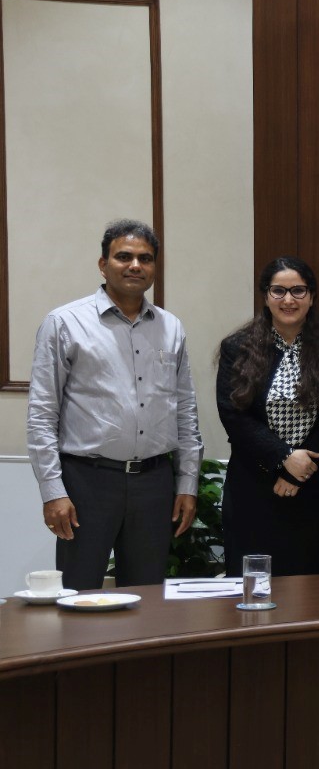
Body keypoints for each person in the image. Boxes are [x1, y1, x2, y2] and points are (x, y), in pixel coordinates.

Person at [27, 219, 203, 591]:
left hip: (154, 483)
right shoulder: (64, 323)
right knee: (79, 594)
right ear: (103, 264)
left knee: (147, 596)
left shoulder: (171, 328)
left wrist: (187, 483)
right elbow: (42, 414)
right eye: (124, 256)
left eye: (145, 258)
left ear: (155, 267)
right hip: (87, 482)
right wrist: (53, 491)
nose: (135, 265)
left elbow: (185, 410)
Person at [216, 256, 319, 575]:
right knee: (253, 588)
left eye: (298, 291)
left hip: (315, 487)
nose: (288, 299)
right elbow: (233, 415)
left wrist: (299, 470)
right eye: (279, 291)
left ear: (312, 297)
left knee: (313, 588)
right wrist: (283, 458)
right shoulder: (238, 347)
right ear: (265, 296)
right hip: (254, 487)